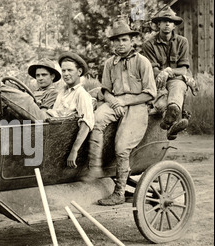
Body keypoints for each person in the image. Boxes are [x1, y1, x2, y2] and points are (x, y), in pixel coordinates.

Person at [84, 19, 157, 206]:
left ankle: (119, 192)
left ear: (132, 41)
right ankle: (95, 167)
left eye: (124, 40)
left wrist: (124, 100)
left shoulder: (142, 62)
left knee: (122, 147)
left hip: (136, 105)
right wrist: (113, 101)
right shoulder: (110, 63)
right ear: (112, 43)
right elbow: (105, 90)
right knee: (95, 120)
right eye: (116, 41)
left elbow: (149, 93)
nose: (120, 44)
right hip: (114, 103)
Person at [142, 7, 197, 140]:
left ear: (174, 25)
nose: (167, 24)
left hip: (176, 79)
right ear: (158, 24)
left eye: (170, 21)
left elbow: (183, 69)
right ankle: (172, 121)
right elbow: (153, 71)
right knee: (160, 104)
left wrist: (169, 71)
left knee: (178, 86)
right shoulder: (148, 44)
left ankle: (171, 114)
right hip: (157, 81)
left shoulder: (182, 42)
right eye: (163, 21)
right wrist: (163, 73)